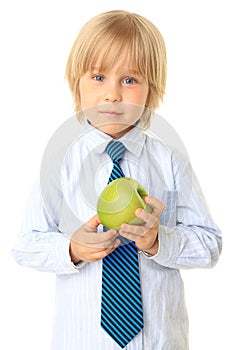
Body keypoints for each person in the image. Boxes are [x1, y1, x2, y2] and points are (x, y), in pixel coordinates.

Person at [12, 10, 222, 350]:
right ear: (75, 82)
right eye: (98, 77)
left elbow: (210, 245)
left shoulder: (170, 161)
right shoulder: (60, 162)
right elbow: (26, 245)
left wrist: (158, 241)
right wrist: (72, 249)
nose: (112, 94)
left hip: (161, 342)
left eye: (129, 80)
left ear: (151, 91)